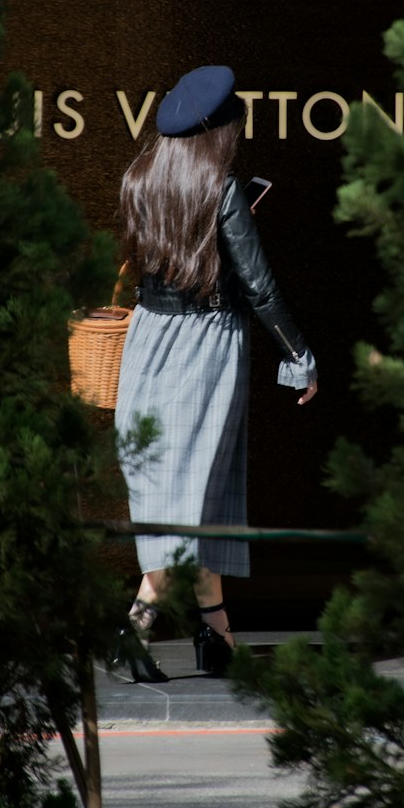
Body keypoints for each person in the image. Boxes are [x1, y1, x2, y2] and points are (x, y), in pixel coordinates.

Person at [112, 64, 318, 682]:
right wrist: (299, 357)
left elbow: (157, 263)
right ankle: (134, 628)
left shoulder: (139, 180)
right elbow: (259, 286)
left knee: (198, 490)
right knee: (194, 495)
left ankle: (215, 631)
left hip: (148, 342)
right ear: (219, 131)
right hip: (205, 345)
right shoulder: (223, 190)